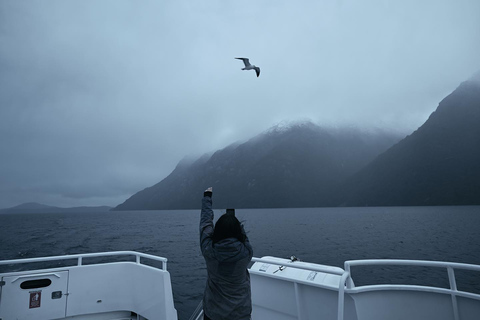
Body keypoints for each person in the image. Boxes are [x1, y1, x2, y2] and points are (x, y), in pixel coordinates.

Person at [200, 187, 253, 320]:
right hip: (241, 313)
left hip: (213, 313)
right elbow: (243, 236)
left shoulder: (208, 250)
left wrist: (207, 197)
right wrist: (235, 224)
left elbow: (205, 223)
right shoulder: (246, 252)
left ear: (216, 232)